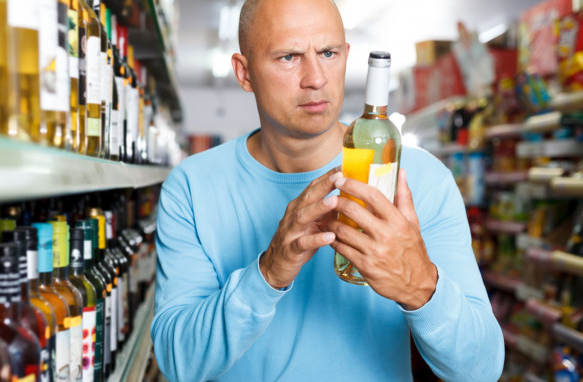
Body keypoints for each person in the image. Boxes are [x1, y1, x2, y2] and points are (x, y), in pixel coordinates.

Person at [151, 0, 505, 380]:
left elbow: (480, 371)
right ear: (245, 72)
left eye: (328, 53)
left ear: (346, 56)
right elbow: (178, 365)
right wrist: (267, 274)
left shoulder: (419, 179)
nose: (316, 77)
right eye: (289, 57)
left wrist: (421, 288)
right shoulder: (191, 187)